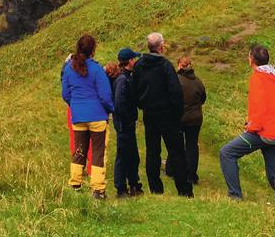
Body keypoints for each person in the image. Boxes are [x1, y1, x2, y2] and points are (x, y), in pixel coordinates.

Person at [219, 44, 275, 210]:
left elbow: (259, 106)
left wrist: (252, 126)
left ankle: (235, 196)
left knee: (227, 153)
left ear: (252, 60)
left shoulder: (257, 78)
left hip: (261, 131)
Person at [131, 32, 193, 197]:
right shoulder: (165, 66)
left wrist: (142, 105)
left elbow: (134, 90)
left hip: (149, 114)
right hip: (168, 115)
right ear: (161, 47)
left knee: (152, 151)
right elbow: (175, 92)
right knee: (177, 152)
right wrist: (177, 113)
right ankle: (184, 191)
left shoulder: (139, 65)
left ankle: (156, 189)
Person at [61, 34, 114, 199]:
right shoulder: (97, 69)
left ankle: (75, 183)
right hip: (97, 116)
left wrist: (75, 106)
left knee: (79, 150)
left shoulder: (69, 69)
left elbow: (65, 94)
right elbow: (105, 95)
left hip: (78, 117)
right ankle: (97, 189)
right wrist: (110, 109)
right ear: (93, 50)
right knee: (97, 152)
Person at [112, 47, 144, 198]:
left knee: (132, 155)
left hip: (126, 123)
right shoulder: (123, 80)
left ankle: (133, 183)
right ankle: (121, 188)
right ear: (130, 61)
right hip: (124, 124)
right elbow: (118, 103)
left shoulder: (125, 77)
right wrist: (127, 119)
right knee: (123, 155)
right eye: (134, 59)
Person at [175, 56, 207, 184]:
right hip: (195, 118)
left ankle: (174, 170)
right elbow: (203, 98)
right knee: (192, 146)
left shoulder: (176, 80)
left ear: (179, 65)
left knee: (176, 144)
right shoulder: (198, 82)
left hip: (179, 117)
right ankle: (192, 175)